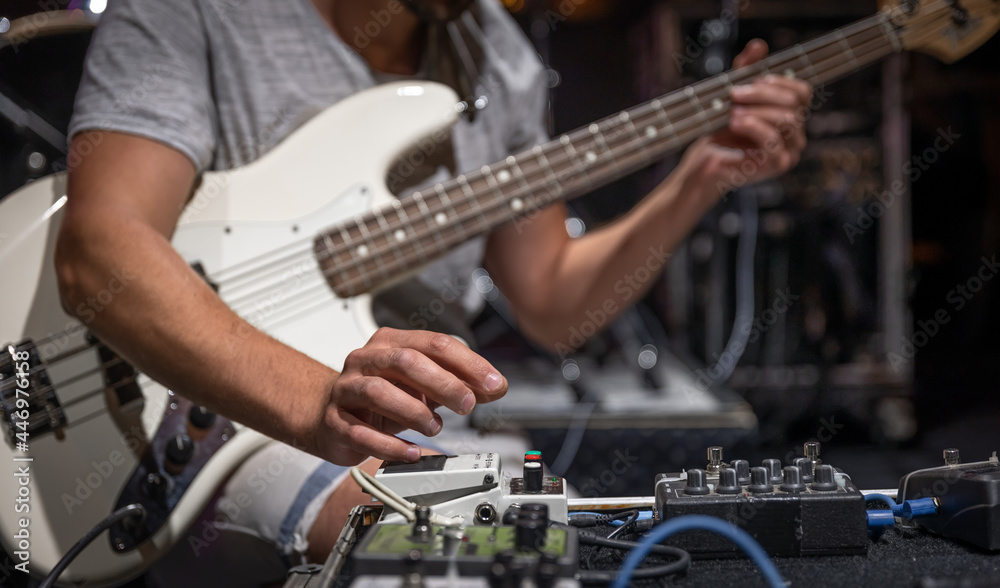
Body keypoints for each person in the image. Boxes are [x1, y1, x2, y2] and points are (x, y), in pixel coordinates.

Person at [54, 0, 811, 579]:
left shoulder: (496, 56)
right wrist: (316, 399)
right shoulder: (195, 10)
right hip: (202, 425)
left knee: (568, 549)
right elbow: (99, 250)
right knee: (455, 553)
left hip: (413, 437)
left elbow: (554, 304)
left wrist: (699, 178)